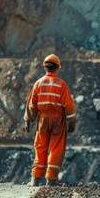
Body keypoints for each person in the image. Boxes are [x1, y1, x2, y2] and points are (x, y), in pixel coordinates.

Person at [23, 54, 77, 186]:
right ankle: (51, 180)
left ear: (44, 67)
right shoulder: (61, 85)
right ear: (58, 68)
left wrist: (28, 120)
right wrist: (72, 122)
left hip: (42, 120)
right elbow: (69, 105)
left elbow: (32, 104)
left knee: (40, 146)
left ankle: (35, 179)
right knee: (56, 148)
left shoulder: (38, 84)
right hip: (58, 119)